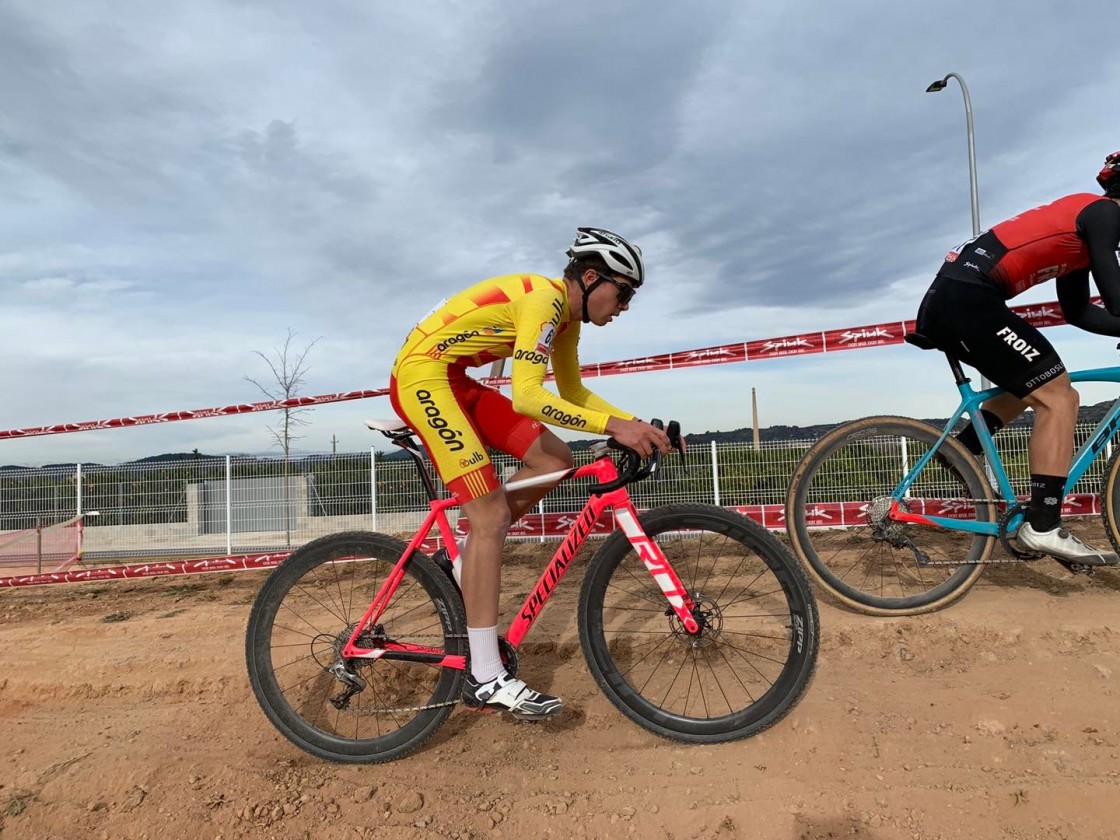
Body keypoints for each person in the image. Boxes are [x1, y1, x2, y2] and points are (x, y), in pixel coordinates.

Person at [389, 227, 672, 719]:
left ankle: (462, 565)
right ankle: (485, 676)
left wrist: (633, 424)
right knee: (491, 516)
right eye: (624, 291)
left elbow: (574, 394)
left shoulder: (566, 319)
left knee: (555, 460)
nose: (625, 305)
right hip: (423, 379)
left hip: (455, 380)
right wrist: (615, 427)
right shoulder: (544, 302)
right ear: (590, 276)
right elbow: (527, 397)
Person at [915, 151, 1120, 567]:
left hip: (956, 296)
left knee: (1034, 382)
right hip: (969, 297)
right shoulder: (1103, 215)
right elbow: (1115, 295)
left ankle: (963, 449)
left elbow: (1078, 311)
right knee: (1060, 397)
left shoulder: (1081, 227)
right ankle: (1042, 524)